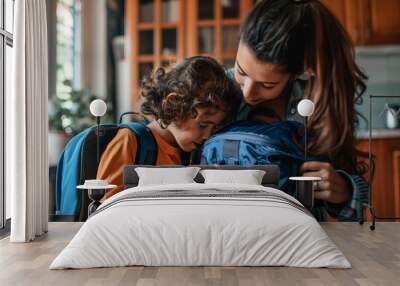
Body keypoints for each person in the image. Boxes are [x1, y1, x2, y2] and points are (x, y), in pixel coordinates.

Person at [223, 0, 369, 221]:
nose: (247, 93)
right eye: (241, 71)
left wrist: (347, 192)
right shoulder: (215, 90)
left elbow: (352, 213)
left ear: (298, 73)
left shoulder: (319, 104)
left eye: (267, 85)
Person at [97, 56, 235, 200]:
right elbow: (107, 202)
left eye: (214, 128)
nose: (207, 135)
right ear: (173, 106)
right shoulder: (129, 141)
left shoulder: (191, 152)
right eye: (203, 125)